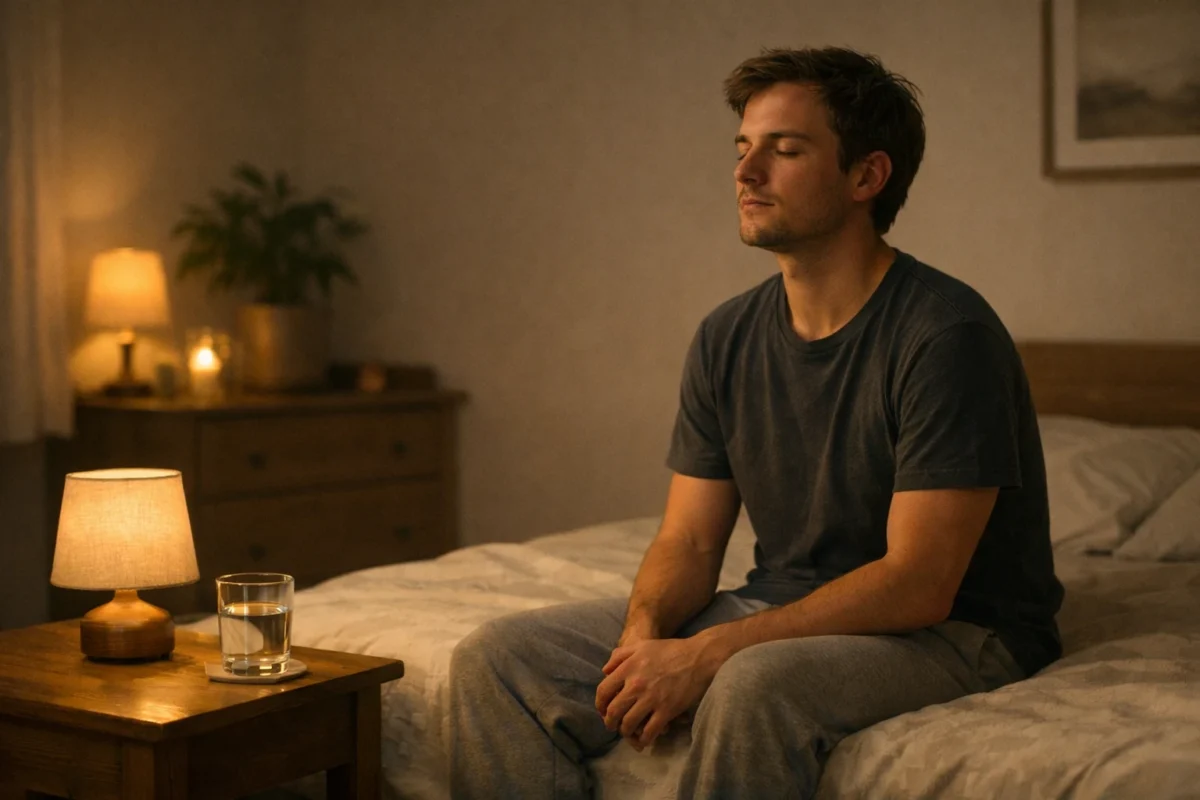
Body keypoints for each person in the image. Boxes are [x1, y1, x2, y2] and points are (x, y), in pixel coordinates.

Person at [448, 46, 1064, 799]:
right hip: (778, 602)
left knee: (750, 683)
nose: (745, 173)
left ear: (867, 176)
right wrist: (643, 638)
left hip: (958, 632)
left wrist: (711, 652)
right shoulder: (726, 335)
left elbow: (920, 584)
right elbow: (690, 538)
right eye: (743, 148)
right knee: (496, 659)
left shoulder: (945, 335)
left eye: (786, 150)